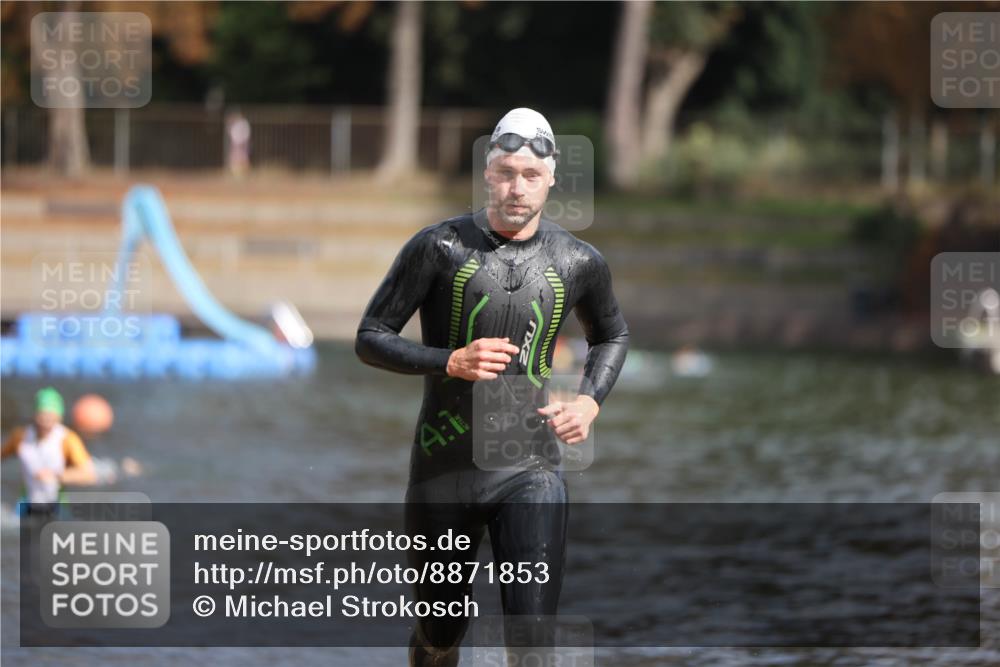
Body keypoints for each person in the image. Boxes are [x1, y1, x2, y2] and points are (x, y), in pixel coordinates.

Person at [356, 107, 629, 665]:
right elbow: (370, 336)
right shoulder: (438, 248)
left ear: (552, 177)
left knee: (531, 639)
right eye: (506, 172)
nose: (516, 188)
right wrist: (448, 360)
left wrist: (588, 400)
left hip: (530, 469)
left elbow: (612, 335)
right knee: (440, 634)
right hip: (442, 467)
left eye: (530, 175)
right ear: (487, 173)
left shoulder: (577, 260)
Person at [1, 387, 99, 513]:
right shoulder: (20, 437)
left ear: (59, 417)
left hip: (56, 506)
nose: (45, 422)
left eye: (50, 418)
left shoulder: (68, 439)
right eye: (42, 416)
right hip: (26, 503)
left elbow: (89, 475)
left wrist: (55, 476)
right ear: (35, 414)